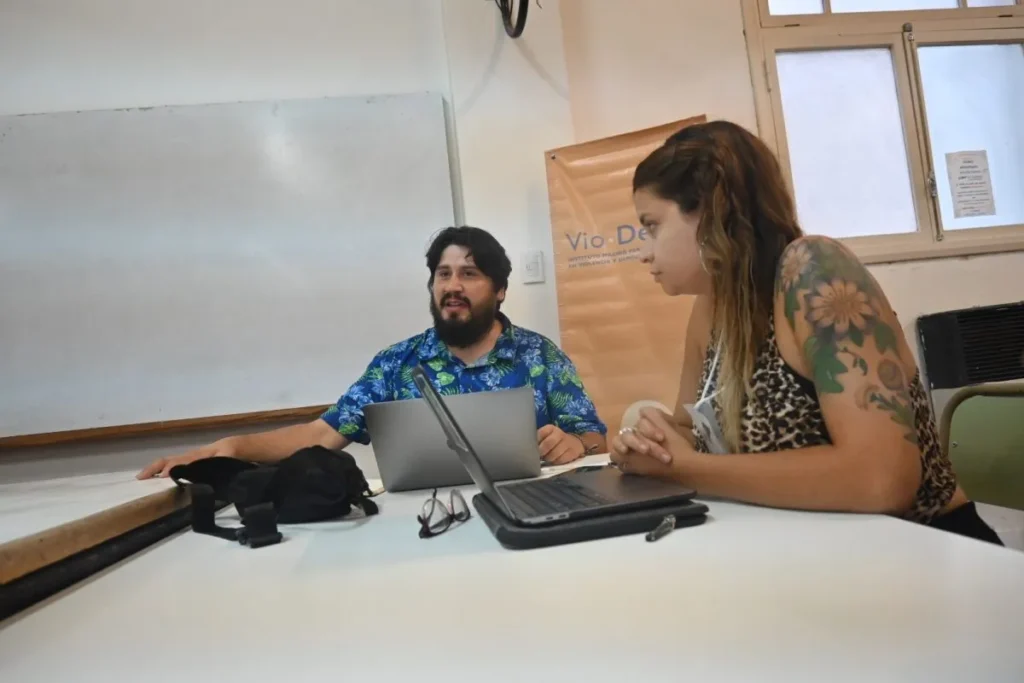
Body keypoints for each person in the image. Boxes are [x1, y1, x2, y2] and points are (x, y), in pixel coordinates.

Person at [610, 120, 1002, 544]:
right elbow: (694, 434)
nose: (643, 252)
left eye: (652, 226)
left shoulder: (814, 272)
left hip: (925, 546)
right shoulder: (711, 307)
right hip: (813, 549)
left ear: (710, 212)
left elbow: (882, 480)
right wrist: (654, 445)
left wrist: (685, 469)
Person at [138, 226, 607, 479]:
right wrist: (230, 449)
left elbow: (594, 438)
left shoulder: (539, 355)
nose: (453, 286)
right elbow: (322, 434)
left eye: (469, 274)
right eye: (443, 274)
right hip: (424, 521)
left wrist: (576, 444)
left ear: (500, 289)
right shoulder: (396, 364)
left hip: (529, 507)